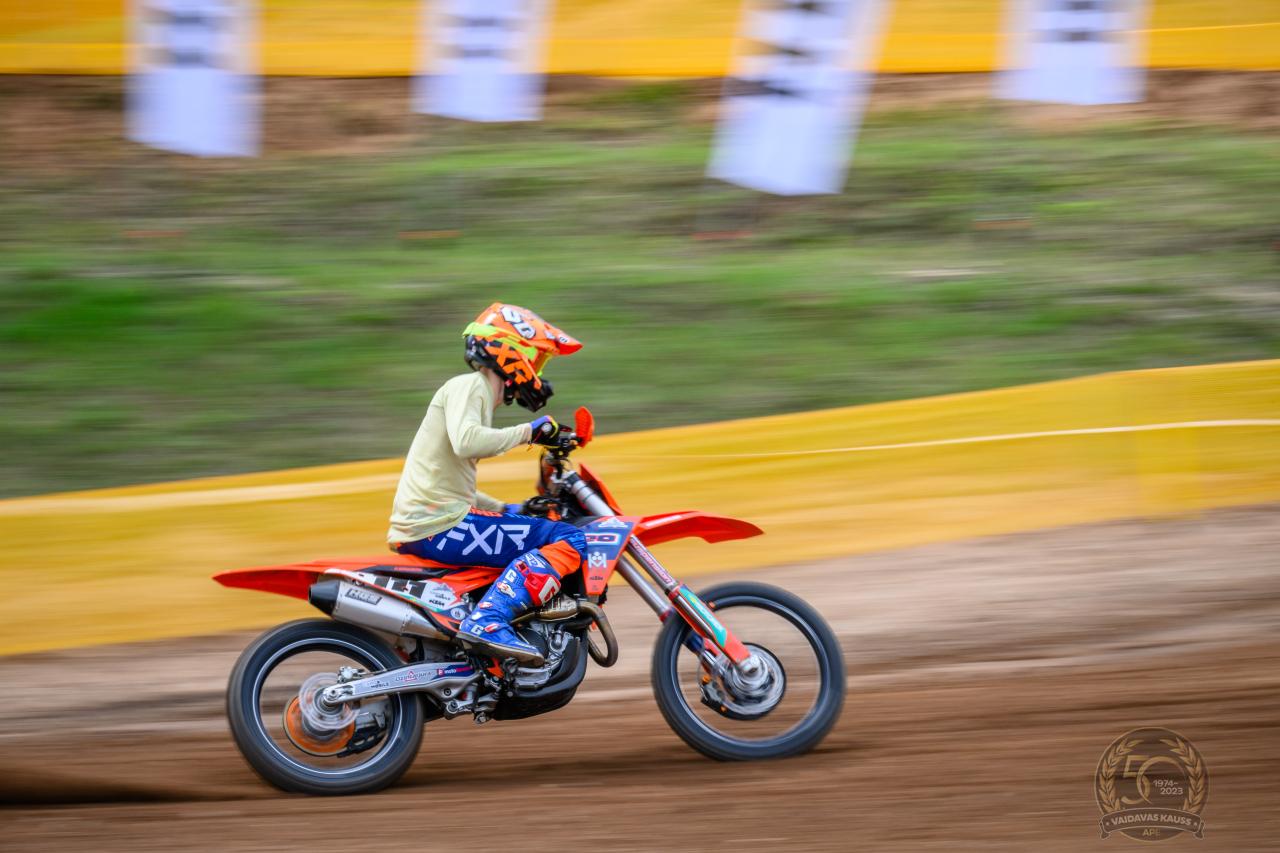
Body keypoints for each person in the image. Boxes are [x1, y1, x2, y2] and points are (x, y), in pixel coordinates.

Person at [386, 303, 586, 667]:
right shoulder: (471, 386)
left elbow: (449, 482)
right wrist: (531, 431)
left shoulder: (470, 393)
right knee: (569, 538)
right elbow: (467, 442)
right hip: (439, 525)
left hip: (434, 520)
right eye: (535, 360)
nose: (537, 372)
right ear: (510, 352)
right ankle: (488, 621)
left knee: (534, 529)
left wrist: (509, 509)